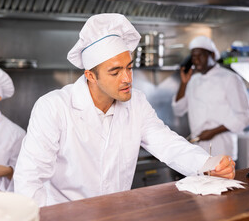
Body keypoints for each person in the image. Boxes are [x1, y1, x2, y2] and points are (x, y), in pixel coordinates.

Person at [14, 14, 236, 207]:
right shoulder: (54, 107)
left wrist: (207, 165)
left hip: (117, 213)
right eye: (115, 71)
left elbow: (167, 143)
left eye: (129, 67)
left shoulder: (136, 102)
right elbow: (29, 180)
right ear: (90, 75)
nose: (127, 79)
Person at [172, 36, 249, 161]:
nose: (197, 60)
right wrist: (184, 83)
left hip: (222, 148)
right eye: (193, 56)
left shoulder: (230, 79)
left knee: (221, 180)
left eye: (201, 55)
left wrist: (213, 131)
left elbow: (245, 116)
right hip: (198, 150)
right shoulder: (193, 80)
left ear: (212, 55)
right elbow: (178, 109)